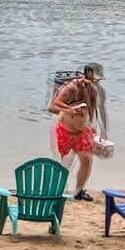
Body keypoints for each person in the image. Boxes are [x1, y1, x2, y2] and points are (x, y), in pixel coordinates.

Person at [49, 62, 108, 197]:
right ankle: (58, 190)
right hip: (65, 130)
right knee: (65, 163)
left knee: (87, 160)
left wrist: (102, 131)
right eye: (95, 78)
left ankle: (78, 191)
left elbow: (99, 111)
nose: (97, 81)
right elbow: (54, 105)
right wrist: (70, 109)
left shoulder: (96, 91)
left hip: (83, 131)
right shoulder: (71, 88)